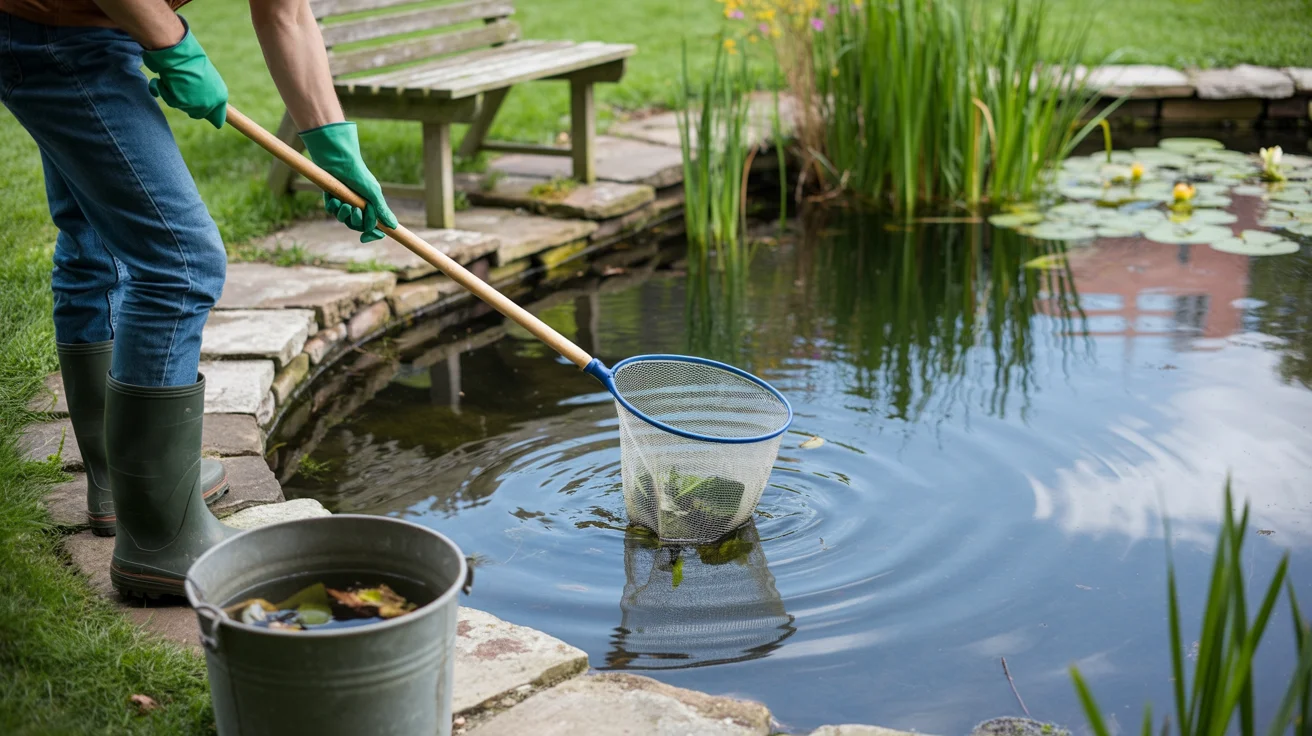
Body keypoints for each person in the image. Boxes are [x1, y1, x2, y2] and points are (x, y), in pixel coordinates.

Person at [0, 0, 395, 597]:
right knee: (179, 264)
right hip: (50, 36)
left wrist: (332, 144)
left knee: (93, 240)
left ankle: (122, 483)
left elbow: (284, 10)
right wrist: (172, 40)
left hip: (85, 29)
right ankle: (160, 539)